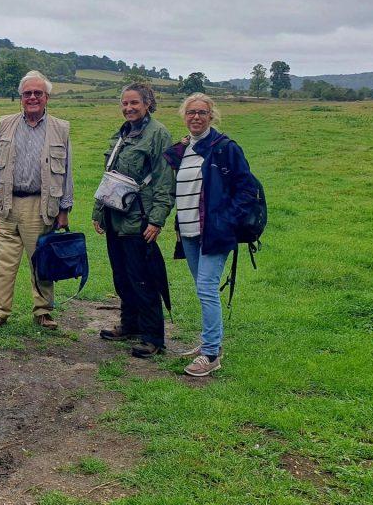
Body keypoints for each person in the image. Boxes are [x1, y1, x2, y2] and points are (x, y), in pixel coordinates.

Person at [163, 93, 256, 376]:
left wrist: (226, 221)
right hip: (189, 231)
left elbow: (247, 190)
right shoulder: (183, 150)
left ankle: (212, 352)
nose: (196, 117)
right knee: (204, 288)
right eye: (191, 112)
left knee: (205, 287)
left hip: (214, 233)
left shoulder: (224, 148)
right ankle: (209, 341)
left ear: (211, 115)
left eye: (202, 112)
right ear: (184, 115)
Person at [0, 71, 73, 330]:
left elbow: (68, 172)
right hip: (5, 204)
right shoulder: (4, 124)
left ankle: (43, 312)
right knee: (0, 264)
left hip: (41, 206)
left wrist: (64, 209)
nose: (32, 97)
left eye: (38, 93)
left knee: (41, 262)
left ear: (47, 98)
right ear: (20, 98)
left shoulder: (61, 128)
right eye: (27, 93)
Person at [94, 83, 175, 358]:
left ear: (148, 104)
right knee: (122, 276)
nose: (129, 108)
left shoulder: (158, 134)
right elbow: (110, 175)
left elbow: (165, 180)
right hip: (115, 217)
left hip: (139, 219)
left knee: (143, 279)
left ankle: (153, 337)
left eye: (135, 103)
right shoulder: (123, 133)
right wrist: (98, 212)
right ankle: (129, 324)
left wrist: (157, 220)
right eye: (125, 103)